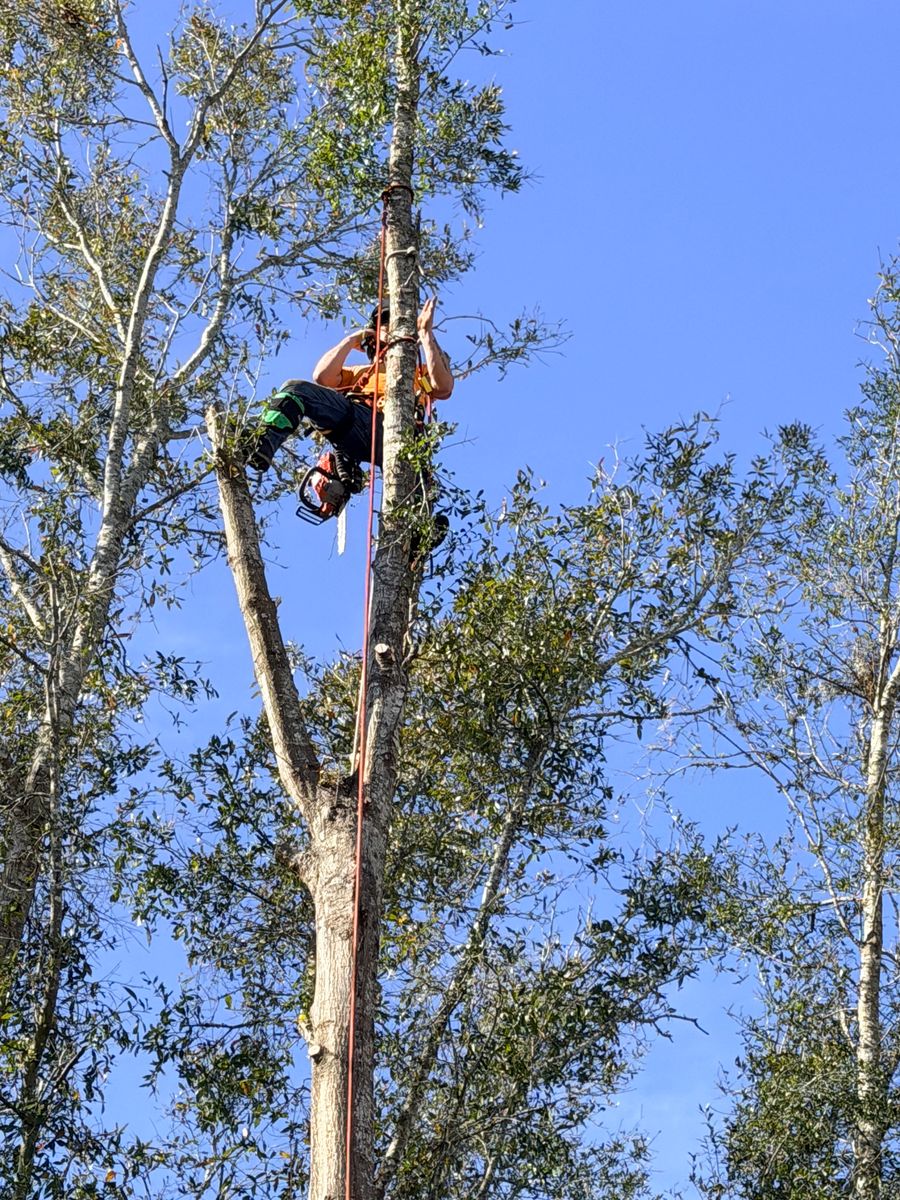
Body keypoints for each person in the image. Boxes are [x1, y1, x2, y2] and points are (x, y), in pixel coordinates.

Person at [247, 297, 454, 473]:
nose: (389, 326)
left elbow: (443, 387)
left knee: (414, 484)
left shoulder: (418, 371)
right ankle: (263, 444)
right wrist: (351, 340)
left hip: (400, 428)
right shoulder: (358, 373)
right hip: (356, 422)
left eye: (392, 320)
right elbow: (322, 376)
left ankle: (416, 515)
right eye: (383, 321)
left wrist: (426, 335)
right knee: (295, 389)